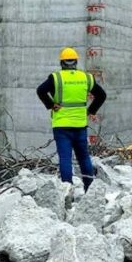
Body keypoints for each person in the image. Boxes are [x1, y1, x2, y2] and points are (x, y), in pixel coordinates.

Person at [36, 47, 106, 191]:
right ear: (76, 62)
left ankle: (67, 191)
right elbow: (102, 95)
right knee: (84, 157)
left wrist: (51, 104)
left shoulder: (56, 78)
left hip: (61, 125)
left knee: (65, 159)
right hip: (80, 125)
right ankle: (90, 189)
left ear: (62, 63)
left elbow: (40, 90)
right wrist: (91, 111)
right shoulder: (86, 78)